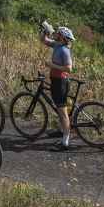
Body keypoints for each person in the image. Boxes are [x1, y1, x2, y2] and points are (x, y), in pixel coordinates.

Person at [40, 21, 75, 151]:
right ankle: (61, 131)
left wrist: (52, 65)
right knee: (60, 109)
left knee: (62, 112)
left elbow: (69, 68)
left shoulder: (65, 50)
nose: (56, 34)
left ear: (62, 37)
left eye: (58, 33)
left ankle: (65, 142)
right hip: (56, 80)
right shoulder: (56, 45)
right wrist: (45, 30)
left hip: (61, 82)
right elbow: (43, 40)